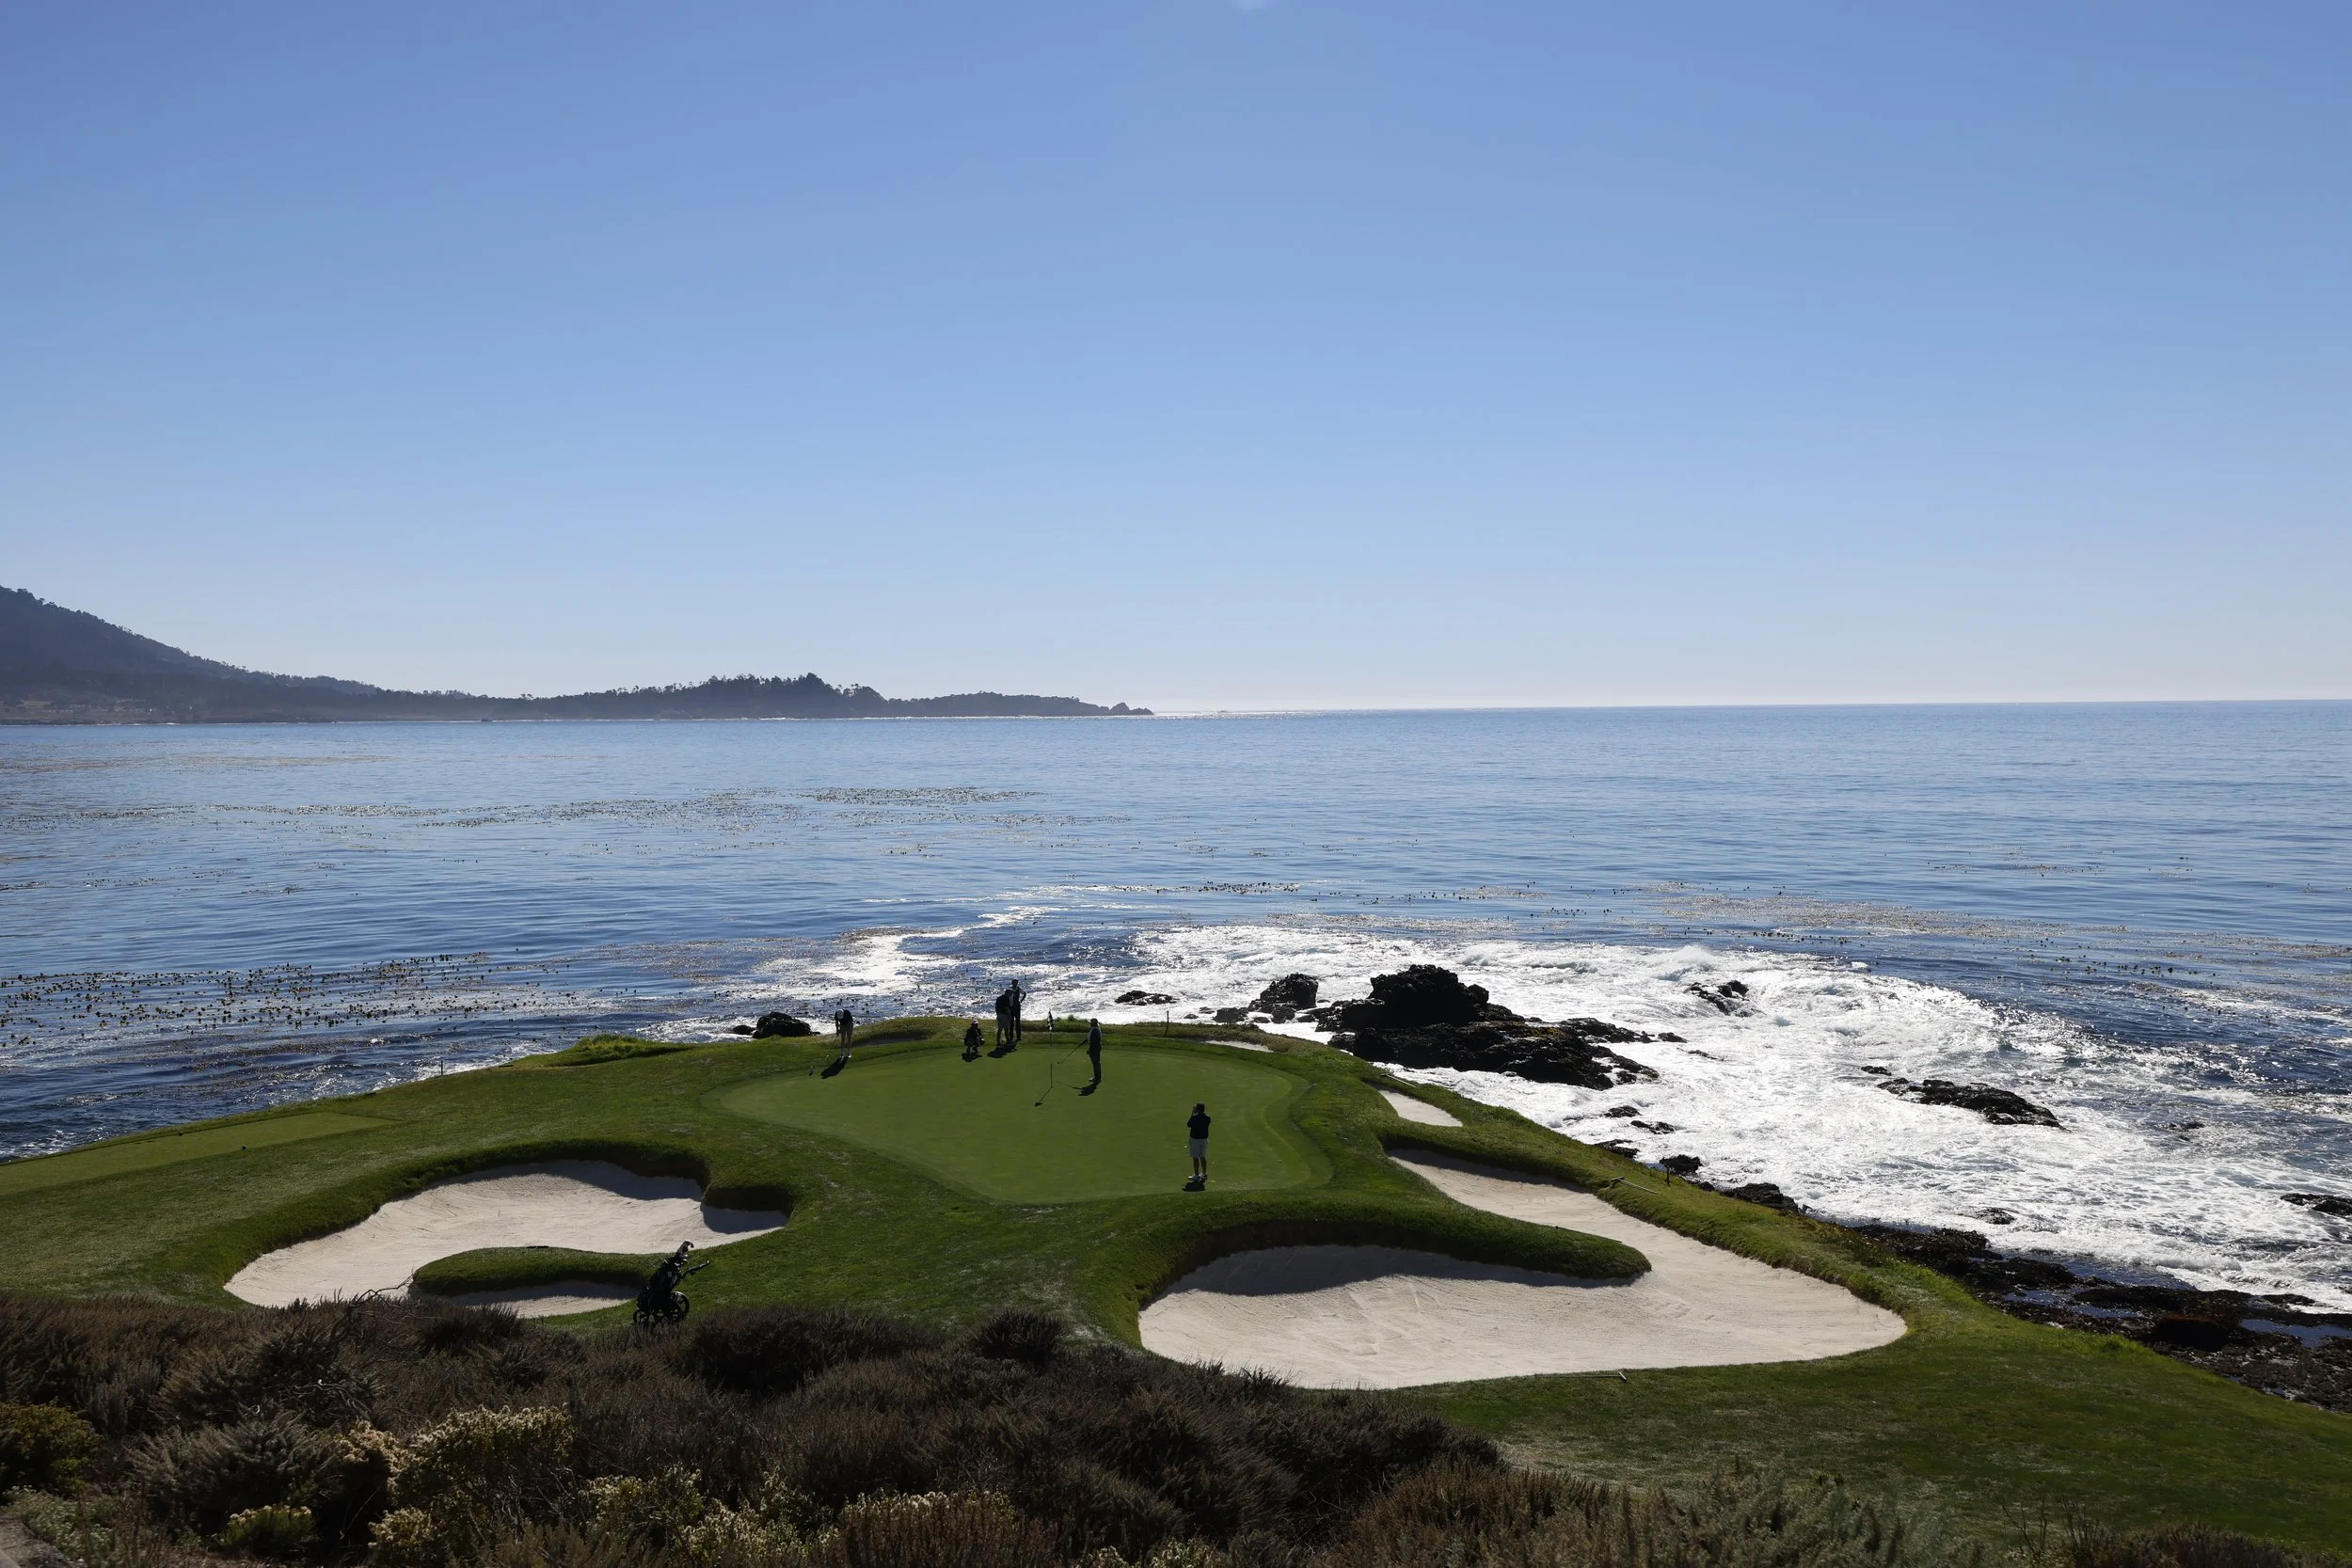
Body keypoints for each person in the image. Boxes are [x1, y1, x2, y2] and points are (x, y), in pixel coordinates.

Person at [1187, 1101, 1212, 1186]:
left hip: (1195, 1140)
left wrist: (1192, 1114)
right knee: (1202, 1156)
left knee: (1195, 1157)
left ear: (1197, 1109)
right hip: (1204, 1139)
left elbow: (1188, 1124)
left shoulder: (1194, 1118)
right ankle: (1204, 1174)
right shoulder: (1208, 1118)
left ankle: (1196, 1175)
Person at [1086, 1019, 1103, 1085]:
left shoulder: (1095, 1030)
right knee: (1096, 1063)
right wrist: (1086, 1040)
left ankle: (1097, 1078)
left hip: (1095, 1048)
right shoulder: (1095, 1029)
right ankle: (1097, 1077)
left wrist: (1089, 1050)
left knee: (1096, 1063)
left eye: (1091, 1022)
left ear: (1094, 1023)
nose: (1090, 1023)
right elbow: (1091, 1037)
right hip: (1096, 1048)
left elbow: (1094, 1042)